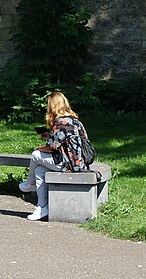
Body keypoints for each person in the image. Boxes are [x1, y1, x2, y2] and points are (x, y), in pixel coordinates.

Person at [18, 91, 93, 221]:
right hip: (80, 163)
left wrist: (39, 147)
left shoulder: (60, 122)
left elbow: (52, 147)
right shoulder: (75, 121)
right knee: (39, 170)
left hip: (68, 164)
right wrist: (49, 135)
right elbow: (66, 141)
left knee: (35, 155)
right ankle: (42, 207)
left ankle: (29, 184)